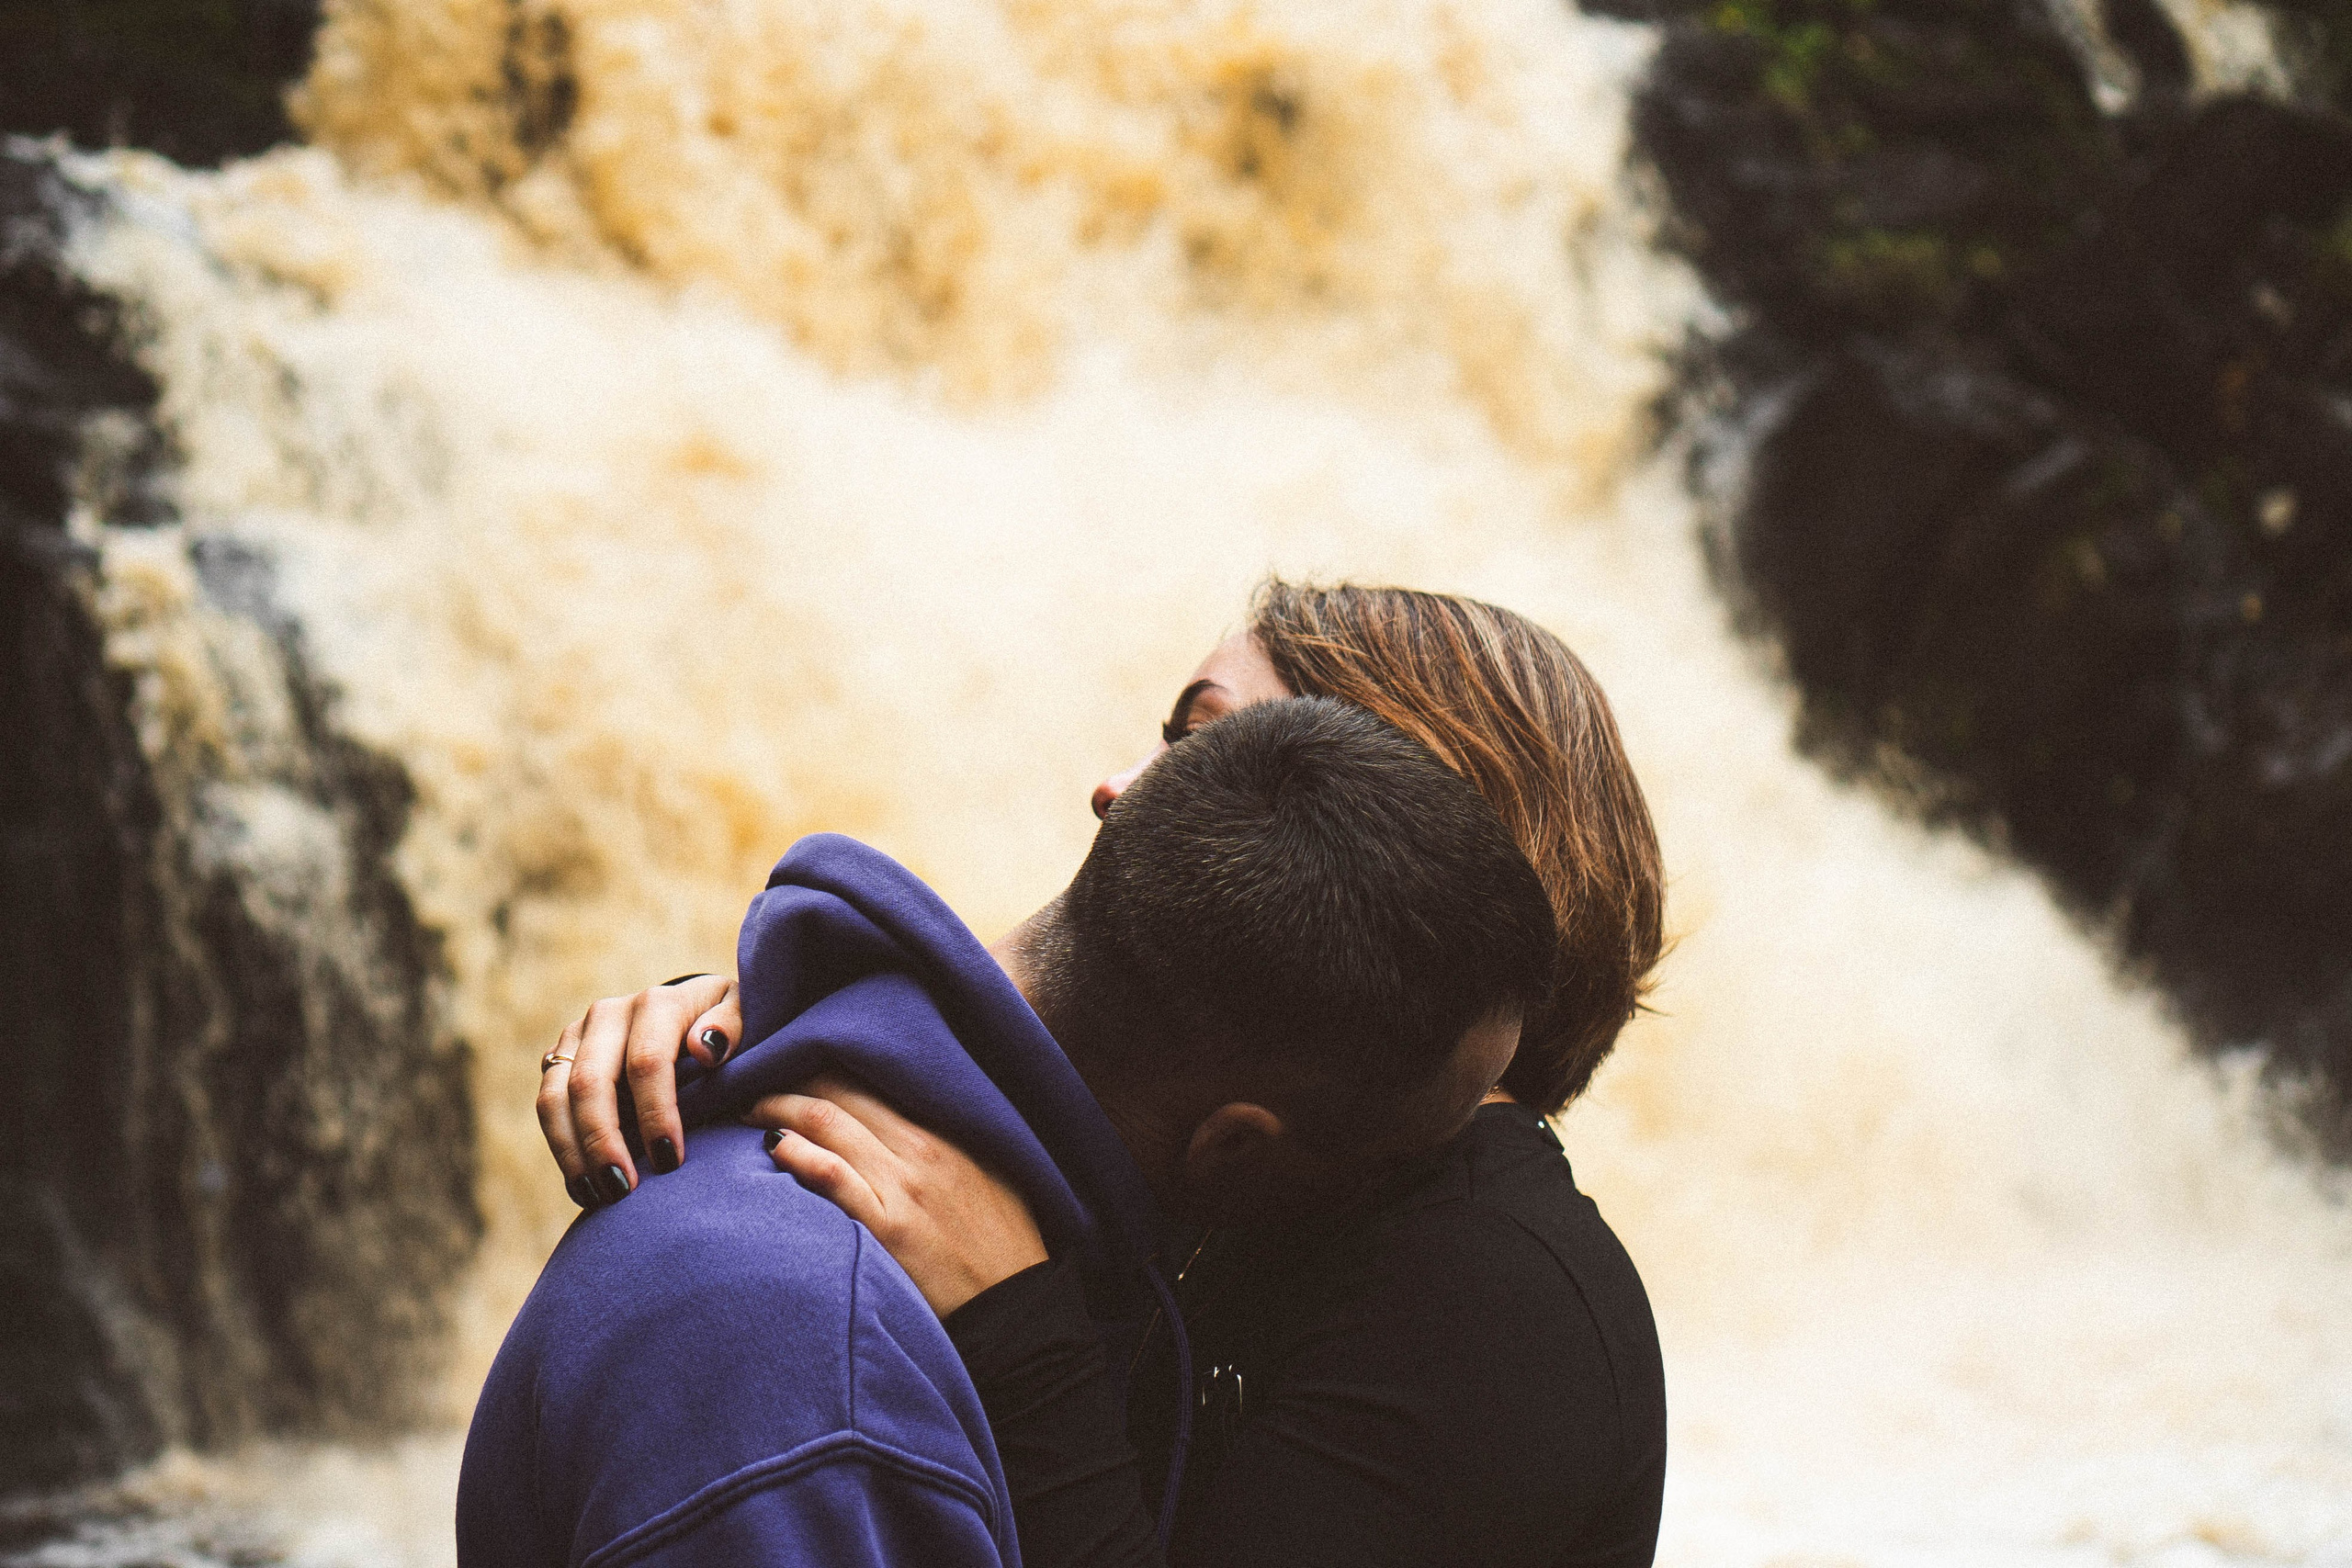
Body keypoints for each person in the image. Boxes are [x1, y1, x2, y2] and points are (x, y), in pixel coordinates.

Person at [536, 581, 1672, 1568]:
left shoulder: (1489, 1300)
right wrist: (749, 1020)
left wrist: (1018, 1332)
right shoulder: (1216, 1164)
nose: (1122, 790)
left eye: (1214, 751)